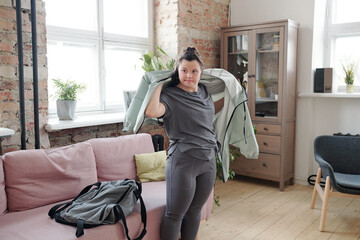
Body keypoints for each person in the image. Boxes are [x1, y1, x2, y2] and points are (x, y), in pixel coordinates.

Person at [145, 47, 223, 240]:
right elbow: (152, 111)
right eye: (184, 71)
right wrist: (159, 84)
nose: (189, 75)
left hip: (208, 161)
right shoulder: (171, 95)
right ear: (177, 72)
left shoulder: (205, 92)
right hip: (183, 162)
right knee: (175, 214)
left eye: (194, 71)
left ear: (201, 73)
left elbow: (208, 116)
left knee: (195, 211)